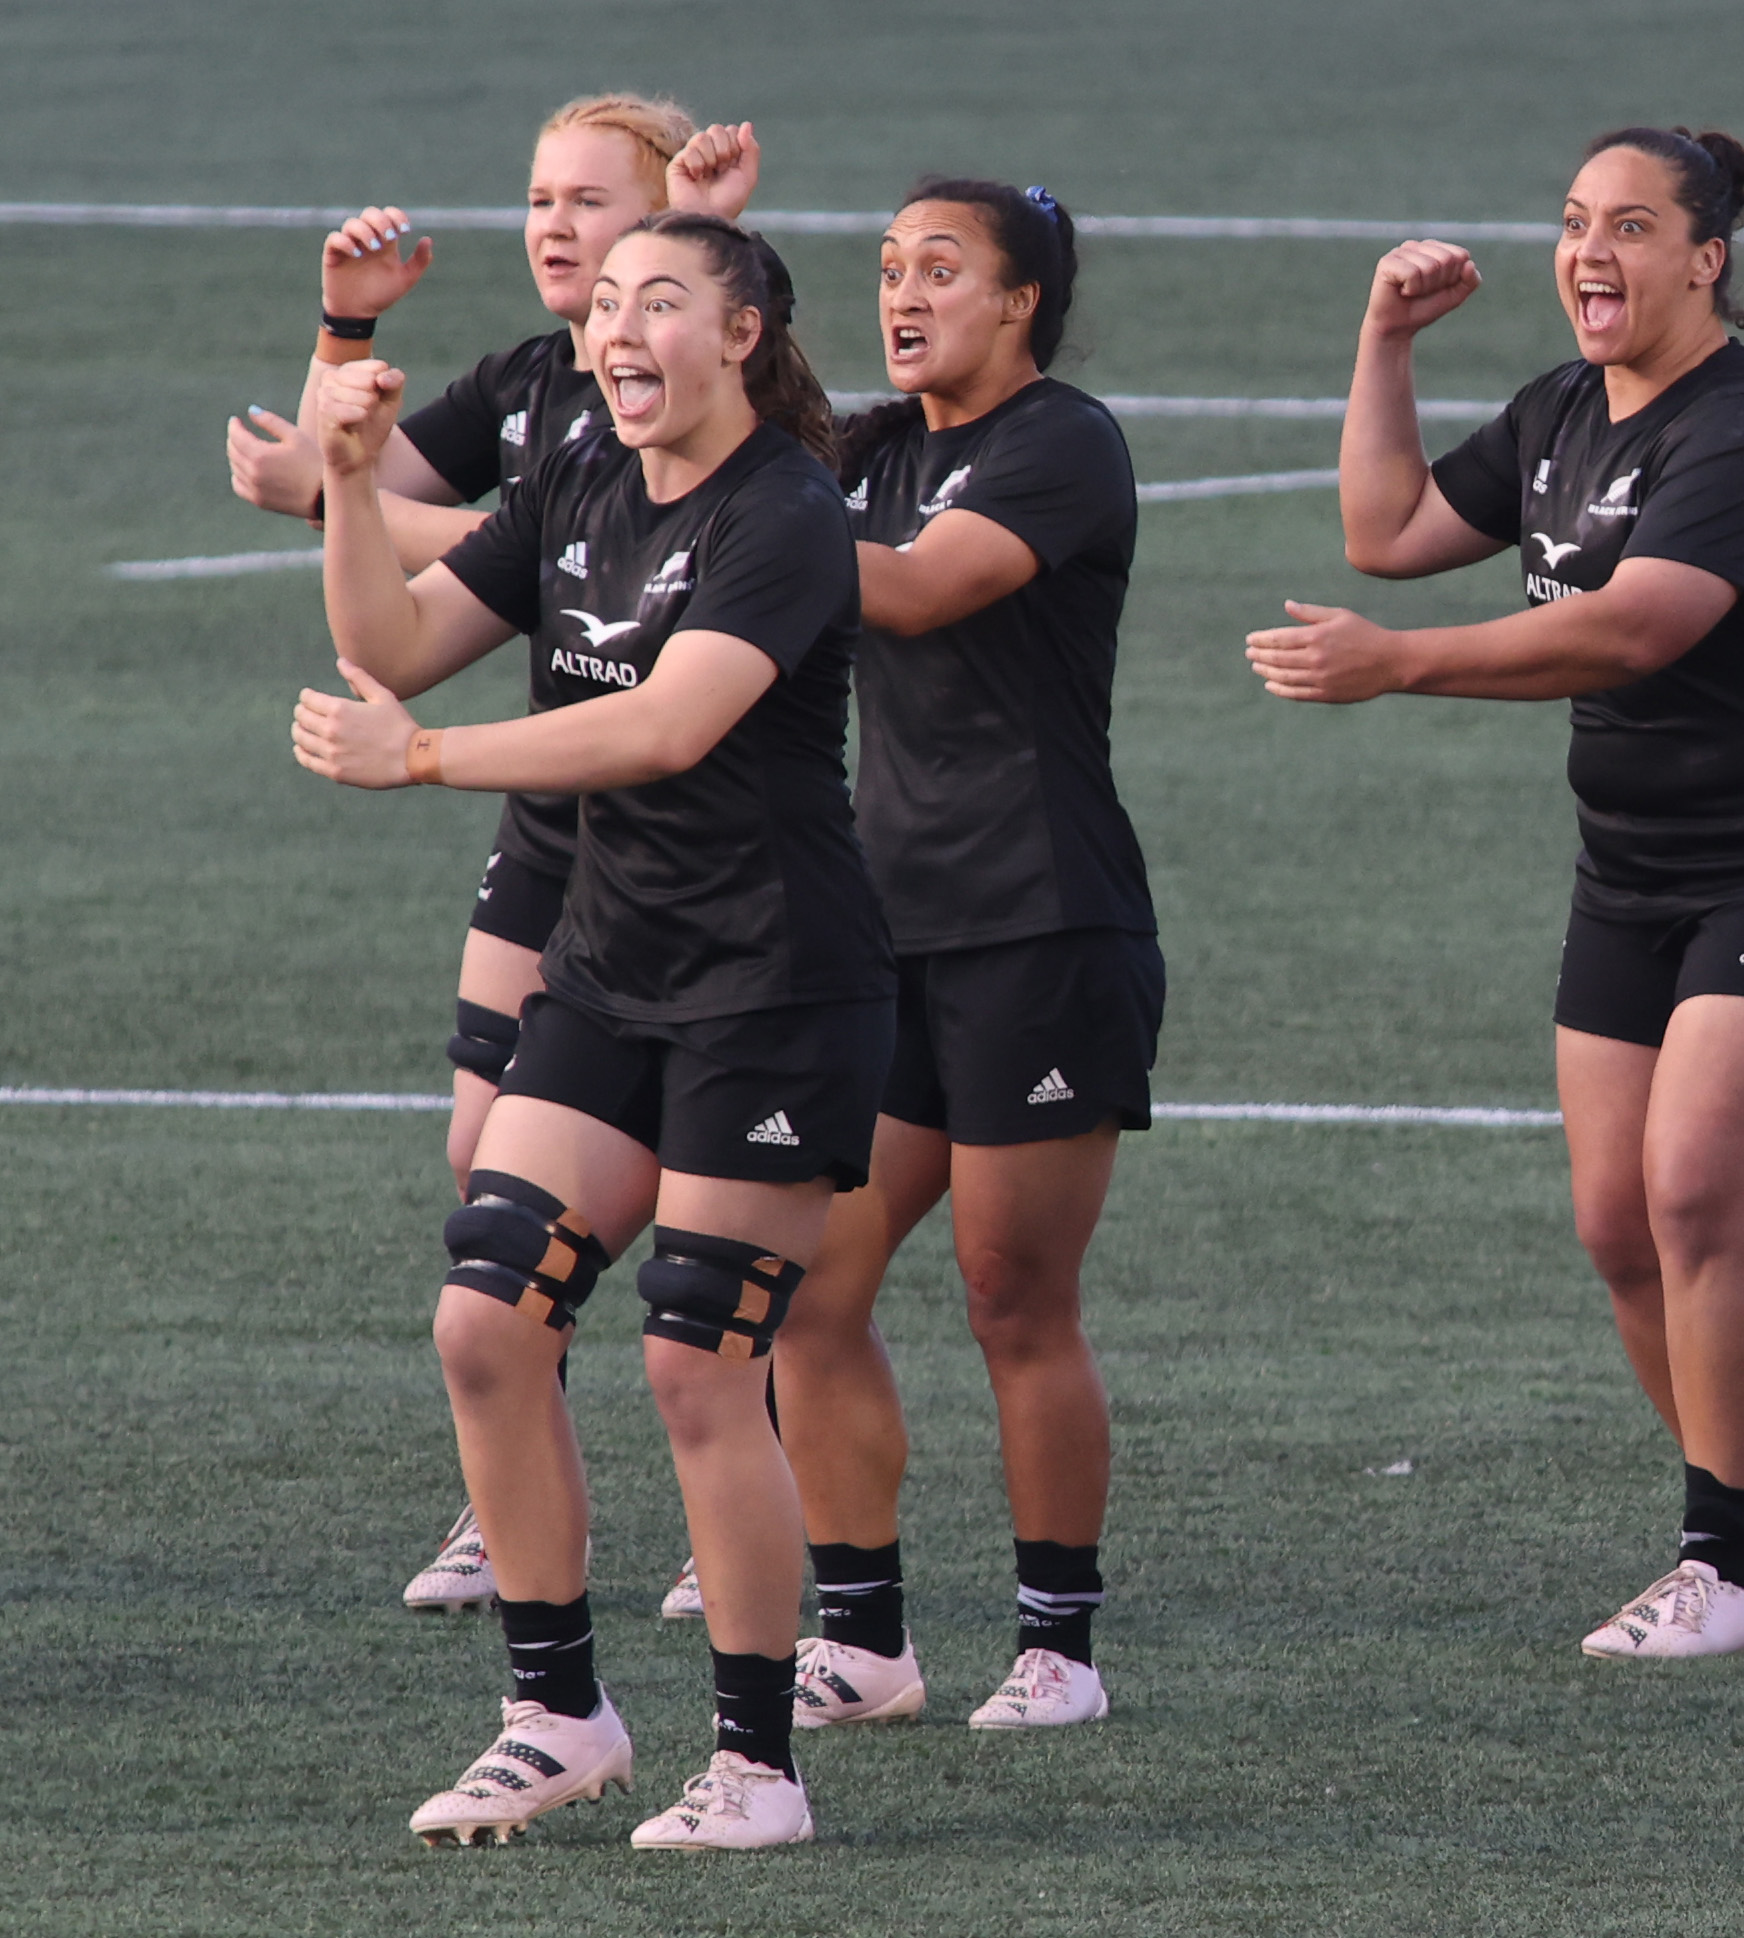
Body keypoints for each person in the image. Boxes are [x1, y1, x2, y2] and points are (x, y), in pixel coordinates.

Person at [1246, 126, 1744, 1658]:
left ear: (1708, 258)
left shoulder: (1743, 428)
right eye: (1571, 223)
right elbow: (1391, 530)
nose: (1589, 252)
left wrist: (1396, 665)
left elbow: (1637, 630)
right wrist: (1383, 340)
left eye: (1630, 225)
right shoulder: (1563, 409)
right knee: (1619, 1227)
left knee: (1696, 1195)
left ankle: (1726, 1570)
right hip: (1634, 865)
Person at [292, 212, 890, 1851]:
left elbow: (665, 723)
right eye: (606, 302)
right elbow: (394, 642)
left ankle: (758, 1763)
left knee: (699, 1360)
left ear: (746, 332)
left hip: (776, 991)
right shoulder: (572, 478)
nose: (618, 329)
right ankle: (556, 1714)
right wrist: (348, 479)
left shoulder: (786, 509)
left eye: (662, 302)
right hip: (614, 975)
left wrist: (418, 763)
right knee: (486, 1319)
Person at [225, 94, 759, 1619]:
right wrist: (343, 345)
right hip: (548, 838)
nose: (555, 228)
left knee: (703, 1242)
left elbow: (404, 532)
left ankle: (741, 1483)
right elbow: (325, 492)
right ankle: (510, 1479)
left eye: (595, 205)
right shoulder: (532, 388)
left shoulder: (725, 444)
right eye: (541, 200)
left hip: (702, 870)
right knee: (486, 1169)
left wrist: (407, 527)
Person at [774, 177, 1158, 1736]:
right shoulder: (867, 451)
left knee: (1013, 1292)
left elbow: (927, 589)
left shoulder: (1062, 443)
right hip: (890, 926)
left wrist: (755, 552)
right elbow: (736, 433)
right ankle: (863, 1637)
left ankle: (1059, 1642)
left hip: (1042, 921)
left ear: (1021, 303)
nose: (903, 290)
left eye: (942, 266)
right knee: (807, 1282)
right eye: (885, 268)